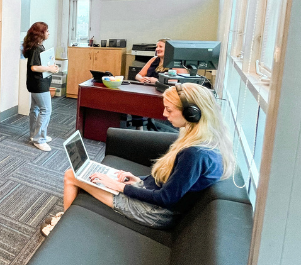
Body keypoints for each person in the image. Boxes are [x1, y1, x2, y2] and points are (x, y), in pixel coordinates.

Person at [41, 83, 235, 236]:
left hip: (155, 213)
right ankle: (66, 217)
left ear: (191, 113)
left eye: (169, 110)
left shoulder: (195, 153)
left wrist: (120, 187)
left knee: (71, 176)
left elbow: (167, 198)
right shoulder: (204, 139)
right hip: (156, 200)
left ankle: (64, 224)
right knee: (89, 175)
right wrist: (137, 180)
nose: (164, 115)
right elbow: (172, 182)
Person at [22, 22, 60, 152]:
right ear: (40, 33)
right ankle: (39, 139)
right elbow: (34, 67)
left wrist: (51, 67)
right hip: (39, 85)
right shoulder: (36, 48)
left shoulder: (36, 47)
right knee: (46, 110)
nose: (48, 33)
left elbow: (39, 64)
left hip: (35, 84)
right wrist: (50, 68)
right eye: (47, 30)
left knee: (35, 109)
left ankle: (34, 135)